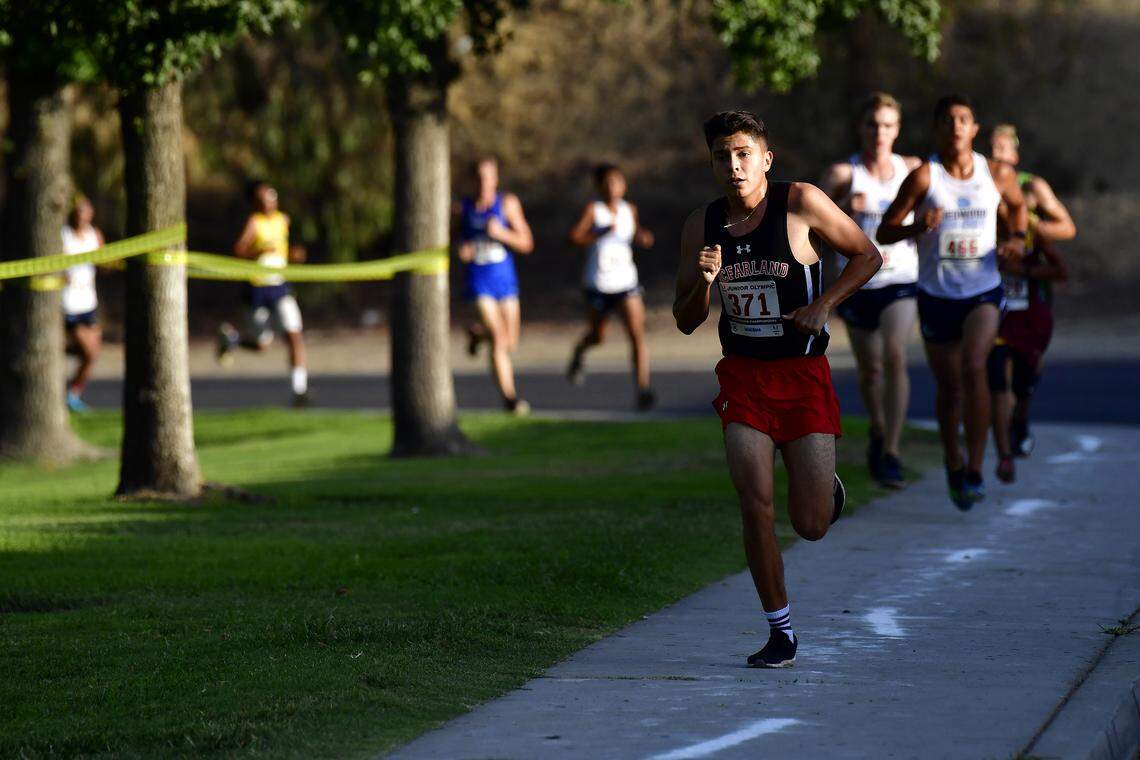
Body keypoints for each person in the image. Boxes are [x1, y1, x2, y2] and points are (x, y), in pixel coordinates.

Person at [674, 110, 881, 668]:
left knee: (810, 524)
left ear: (766, 158)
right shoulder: (702, 225)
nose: (734, 165)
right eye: (723, 155)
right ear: (712, 162)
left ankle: (824, 487)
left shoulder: (801, 202)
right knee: (755, 502)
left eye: (744, 154)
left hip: (803, 373)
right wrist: (704, 282)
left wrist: (823, 304)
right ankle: (780, 631)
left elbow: (868, 254)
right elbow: (686, 319)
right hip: (743, 376)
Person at [878, 95, 1028, 510]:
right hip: (936, 293)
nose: (956, 126)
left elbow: (1018, 208)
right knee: (951, 386)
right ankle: (953, 461)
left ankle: (976, 468)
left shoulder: (996, 173)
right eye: (947, 120)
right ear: (937, 129)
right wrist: (915, 226)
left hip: (982, 290)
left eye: (963, 119)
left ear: (974, 128)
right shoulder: (925, 178)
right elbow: (886, 231)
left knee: (975, 366)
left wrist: (1015, 239)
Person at [821, 93, 921, 487]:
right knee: (871, 368)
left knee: (895, 354)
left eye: (887, 125)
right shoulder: (843, 174)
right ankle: (878, 429)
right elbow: (810, 228)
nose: (879, 132)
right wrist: (845, 204)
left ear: (897, 130)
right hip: (857, 282)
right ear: (860, 129)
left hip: (901, 278)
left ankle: (892, 451)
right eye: (872, 125)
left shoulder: (912, 169)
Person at [987, 124, 1075, 481]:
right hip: (994, 306)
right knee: (995, 376)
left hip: (1032, 305)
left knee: (1025, 378)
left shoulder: (1032, 186)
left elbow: (1068, 230)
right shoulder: (980, 182)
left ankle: (1020, 420)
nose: (997, 155)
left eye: (1003, 149)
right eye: (991, 149)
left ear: (1015, 155)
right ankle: (1004, 449)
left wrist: (1029, 237)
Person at [566, 163, 657, 410]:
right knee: (598, 336)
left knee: (636, 334)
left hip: (626, 282)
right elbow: (573, 238)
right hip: (598, 283)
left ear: (623, 184)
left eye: (616, 181)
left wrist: (642, 236)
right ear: (598, 186)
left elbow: (635, 233)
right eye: (606, 183)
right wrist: (599, 232)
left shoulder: (630, 210)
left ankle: (643, 389)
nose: (612, 187)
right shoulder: (593, 210)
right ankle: (579, 352)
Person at [216, 180, 310, 407]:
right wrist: (257, 252)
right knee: (261, 346)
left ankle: (300, 390)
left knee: (294, 334)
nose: (268, 201)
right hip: (258, 289)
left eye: (270, 196)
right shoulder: (254, 223)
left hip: (280, 286)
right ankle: (233, 340)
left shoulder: (283, 220)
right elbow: (238, 250)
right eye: (261, 199)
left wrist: (296, 256)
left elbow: (289, 251)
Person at [457, 157, 535, 415]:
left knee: (509, 342)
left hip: (505, 280)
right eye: (479, 177)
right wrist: (461, 250)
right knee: (499, 337)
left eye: (488, 177)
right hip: (479, 281)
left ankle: (477, 334)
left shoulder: (508, 204)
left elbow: (527, 243)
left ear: (496, 179)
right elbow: (453, 241)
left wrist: (502, 233)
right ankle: (510, 399)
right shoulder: (462, 208)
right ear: (472, 180)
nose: (483, 183)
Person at [61, 195, 105, 413]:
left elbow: (104, 262)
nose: (81, 215)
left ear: (91, 213)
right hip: (68, 303)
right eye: (78, 211)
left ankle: (73, 393)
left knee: (92, 354)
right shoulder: (63, 236)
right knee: (87, 350)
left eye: (85, 211)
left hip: (88, 302)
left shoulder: (94, 235)